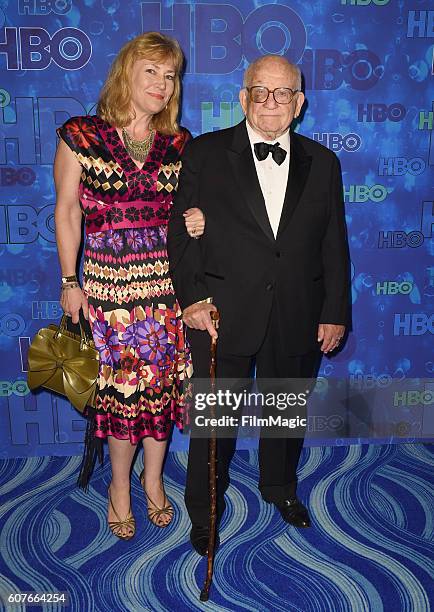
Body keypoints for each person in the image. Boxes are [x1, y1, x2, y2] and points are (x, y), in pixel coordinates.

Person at [168, 55, 350, 555]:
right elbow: (179, 237)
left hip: (297, 310)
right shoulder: (205, 154)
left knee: (285, 413)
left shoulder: (324, 162)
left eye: (284, 93)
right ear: (243, 98)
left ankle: (279, 489)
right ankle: (204, 515)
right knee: (214, 427)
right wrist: (193, 300)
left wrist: (334, 310)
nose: (272, 102)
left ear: (300, 102)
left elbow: (334, 244)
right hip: (220, 315)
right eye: (261, 92)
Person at [54, 32, 205, 540]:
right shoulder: (81, 134)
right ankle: (120, 487)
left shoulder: (180, 143)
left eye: (171, 76)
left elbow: (188, 214)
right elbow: (68, 210)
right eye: (152, 72)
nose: (163, 84)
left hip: (165, 294)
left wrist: (198, 219)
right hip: (109, 297)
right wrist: (69, 280)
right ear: (127, 74)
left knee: (161, 393)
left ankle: (154, 480)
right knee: (122, 396)